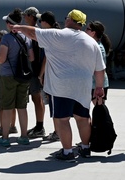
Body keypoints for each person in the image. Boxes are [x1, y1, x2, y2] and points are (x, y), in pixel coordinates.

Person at [10, 9, 105, 160]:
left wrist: (18, 27)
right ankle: (85, 148)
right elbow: (100, 70)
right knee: (83, 118)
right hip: (83, 87)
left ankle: (67, 151)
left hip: (61, 87)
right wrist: (99, 88)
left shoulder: (58, 34)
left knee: (62, 119)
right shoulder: (91, 42)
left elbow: (34, 33)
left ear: (69, 20)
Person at [0, 8, 33, 147]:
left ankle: (5, 138)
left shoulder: (7, 38)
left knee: (7, 107)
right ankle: (24, 136)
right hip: (23, 76)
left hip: (7, 76)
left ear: (11, 25)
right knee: (22, 107)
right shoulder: (27, 38)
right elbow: (32, 57)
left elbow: (2, 59)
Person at [22, 6, 47, 138]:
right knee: (38, 99)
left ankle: (40, 126)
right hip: (38, 71)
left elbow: (37, 55)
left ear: (31, 17)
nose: (24, 18)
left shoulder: (34, 33)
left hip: (36, 71)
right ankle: (39, 125)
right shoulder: (39, 31)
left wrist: (38, 74)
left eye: (25, 15)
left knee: (37, 99)